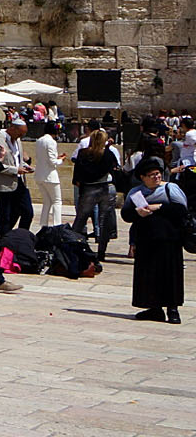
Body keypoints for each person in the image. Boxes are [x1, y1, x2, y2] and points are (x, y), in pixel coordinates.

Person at [125, 156, 186, 323]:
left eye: (158, 174)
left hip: (169, 239)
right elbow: (126, 214)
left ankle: (172, 310)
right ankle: (154, 308)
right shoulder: (136, 192)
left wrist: (158, 207)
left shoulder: (170, 189)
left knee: (170, 274)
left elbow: (181, 210)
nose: (156, 177)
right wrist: (138, 212)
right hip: (146, 240)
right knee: (148, 275)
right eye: (151, 175)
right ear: (143, 177)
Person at [72, 129, 120, 262]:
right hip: (107, 187)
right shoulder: (108, 154)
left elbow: (77, 174)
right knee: (104, 221)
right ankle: (101, 251)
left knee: (81, 219)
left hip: (89, 188)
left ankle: (72, 247)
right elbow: (114, 168)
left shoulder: (83, 153)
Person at [0, 118, 34, 232]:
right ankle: (4, 242)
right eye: (19, 133)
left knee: (27, 212)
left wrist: (25, 166)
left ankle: (21, 238)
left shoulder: (17, 141)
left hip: (19, 183)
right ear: (12, 128)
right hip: (3, 186)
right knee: (5, 218)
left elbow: (17, 159)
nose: (20, 137)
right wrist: (15, 170)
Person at [30, 121, 63, 229]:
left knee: (47, 202)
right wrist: (61, 160)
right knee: (57, 201)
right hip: (50, 176)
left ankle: (43, 226)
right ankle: (57, 226)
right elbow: (52, 161)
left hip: (39, 175)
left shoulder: (39, 140)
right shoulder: (51, 142)